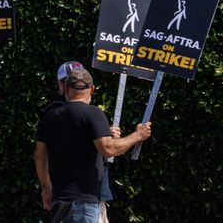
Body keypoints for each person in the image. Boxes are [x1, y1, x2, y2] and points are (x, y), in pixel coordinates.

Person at [34, 69, 152, 223]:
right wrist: (138, 135)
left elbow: (40, 155)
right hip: (84, 203)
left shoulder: (50, 116)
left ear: (67, 88)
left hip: (59, 201)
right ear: (92, 89)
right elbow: (108, 149)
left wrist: (46, 188)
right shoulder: (93, 113)